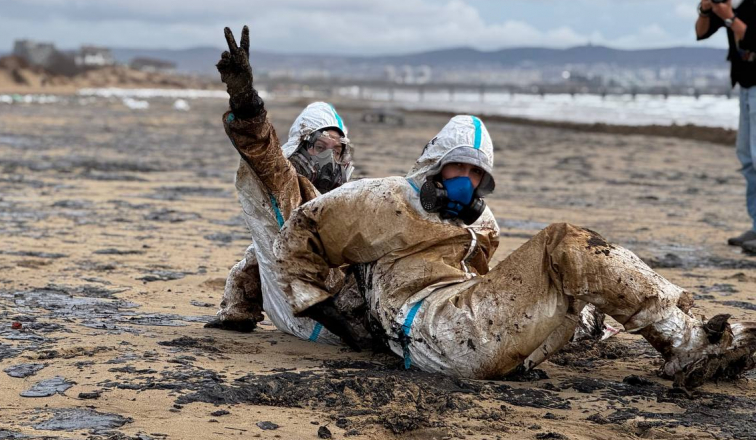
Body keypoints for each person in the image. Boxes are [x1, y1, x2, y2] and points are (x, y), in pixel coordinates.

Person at [273, 115, 756, 389]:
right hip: (434, 330)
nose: (467, 180)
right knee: (565, 245)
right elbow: (298, 234)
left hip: (465, 335)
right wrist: (328, 309)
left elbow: (485, 281)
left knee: (576, 289)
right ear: (433, 165)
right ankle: (687, 342)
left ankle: (683, 322)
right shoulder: (382, 199)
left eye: (476, 173)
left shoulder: (483, 224)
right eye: (456, 167)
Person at [204, 25, 367, 344]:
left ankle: (239, 308)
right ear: (302, 147)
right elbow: (260, 146)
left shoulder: (347, 201)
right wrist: (244, 99)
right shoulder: (284, 183)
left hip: (345, 318)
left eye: (336, 150)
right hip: (315, 318)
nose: (328, 159)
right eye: (320, 148)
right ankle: (238, 310)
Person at [695, 0, 756, 250]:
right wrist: (708, 7)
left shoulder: (747, 2)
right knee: (747, 160)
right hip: (746, 85)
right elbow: (701, 33)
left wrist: (730, 17)